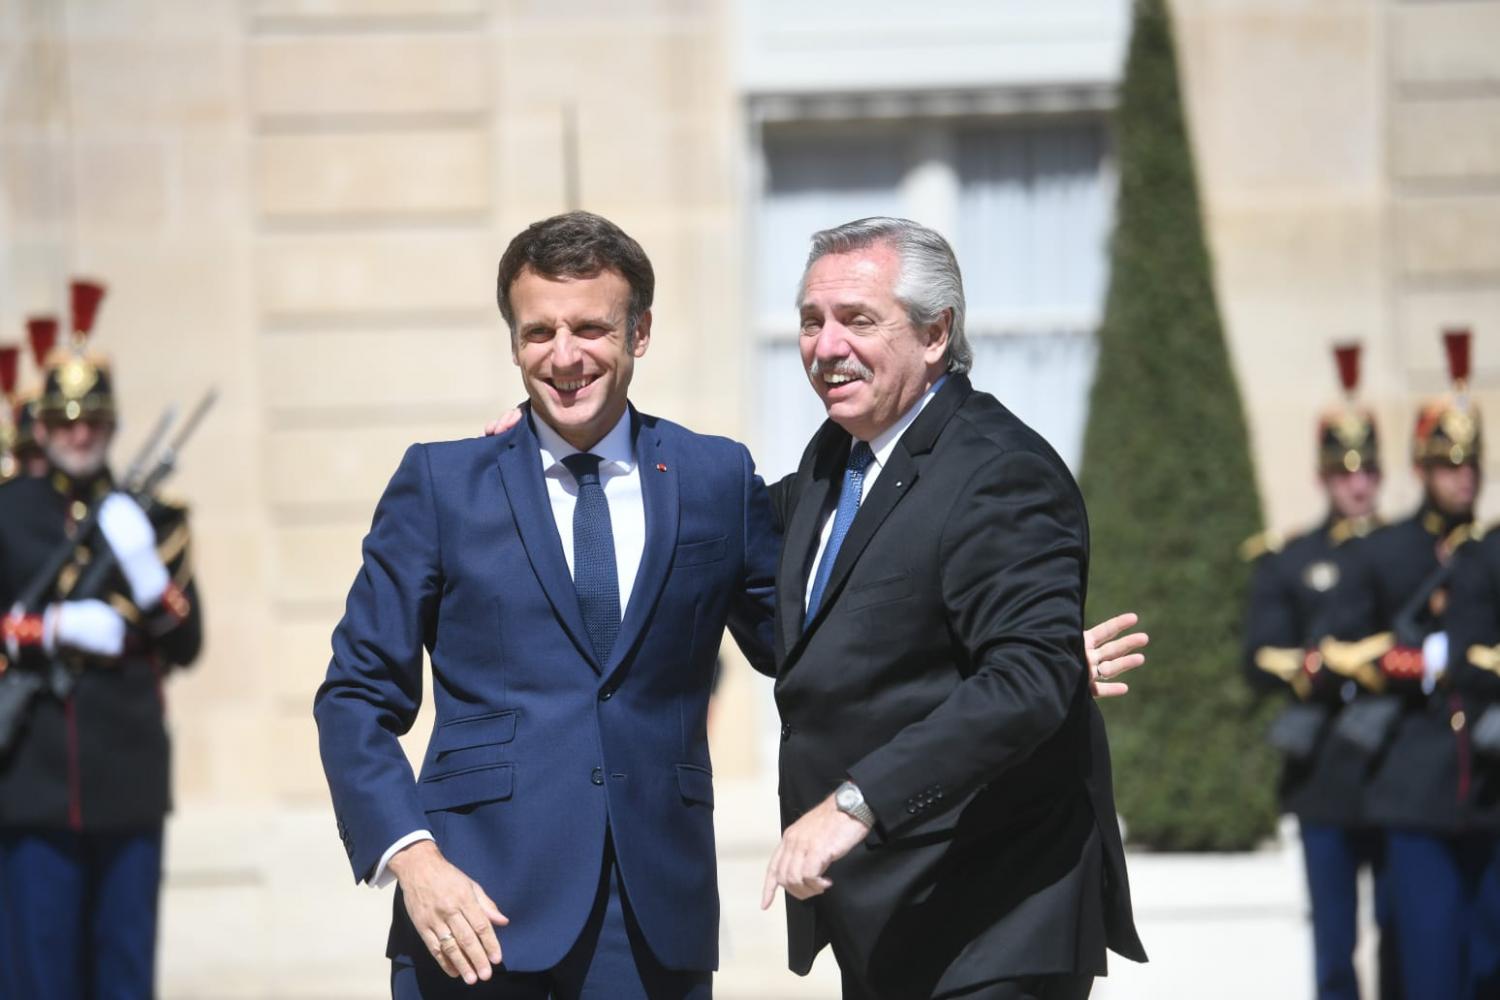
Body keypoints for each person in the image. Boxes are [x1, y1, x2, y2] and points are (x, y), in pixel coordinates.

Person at [758, 217, 1145, 1000]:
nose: (826, 347)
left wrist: (856, 802)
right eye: (811, 320)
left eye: (858, 320)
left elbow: (1027, 677)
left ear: (936, 334)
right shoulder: (836, 463)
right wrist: (552, 450)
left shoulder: (999, 471)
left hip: (993, 916)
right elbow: (715, 547)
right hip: (890, 915)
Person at [0, 280, 203, 999]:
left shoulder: (153, 516)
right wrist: (46, 628)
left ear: (112, 425)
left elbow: (186, 645)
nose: (78, 433)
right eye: (63, 420)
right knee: (38, 977)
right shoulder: (10, 512)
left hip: (127, 776)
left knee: (123, 974)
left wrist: (149, 577)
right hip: (32, 780)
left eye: (92, 420)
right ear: (44, 427)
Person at [1323, 329, 1489, 998]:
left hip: (1489, 785)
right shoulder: (1385, 553)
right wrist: (1426, 660)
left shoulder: (1488, 552)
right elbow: (1339, 650)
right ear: (1422, 466)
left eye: (1471, 463)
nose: (1463, 476)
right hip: (1414, 785)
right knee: (1427, 965)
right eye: (1449, 463)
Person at [1241, 343, 1398, 1000]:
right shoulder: (1289, 559)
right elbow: (1259, 658)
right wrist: (1320, 662)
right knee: (1335, 945)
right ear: (1324, 478)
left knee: (1405, 933)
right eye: (1342, 473)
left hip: (1397, 768)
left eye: (1365, 473)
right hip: (1326, 773)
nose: (1356, 485)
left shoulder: (1405, 551)